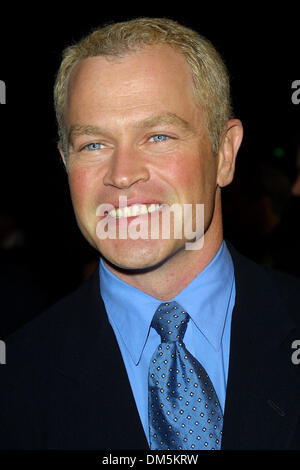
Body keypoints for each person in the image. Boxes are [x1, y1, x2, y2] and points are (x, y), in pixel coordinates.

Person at [0, 17, 299, 451]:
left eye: (158, 136)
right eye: (94, 145)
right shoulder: (16, 382)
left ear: (224, 154)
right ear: (65, 161)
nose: (122, 175)